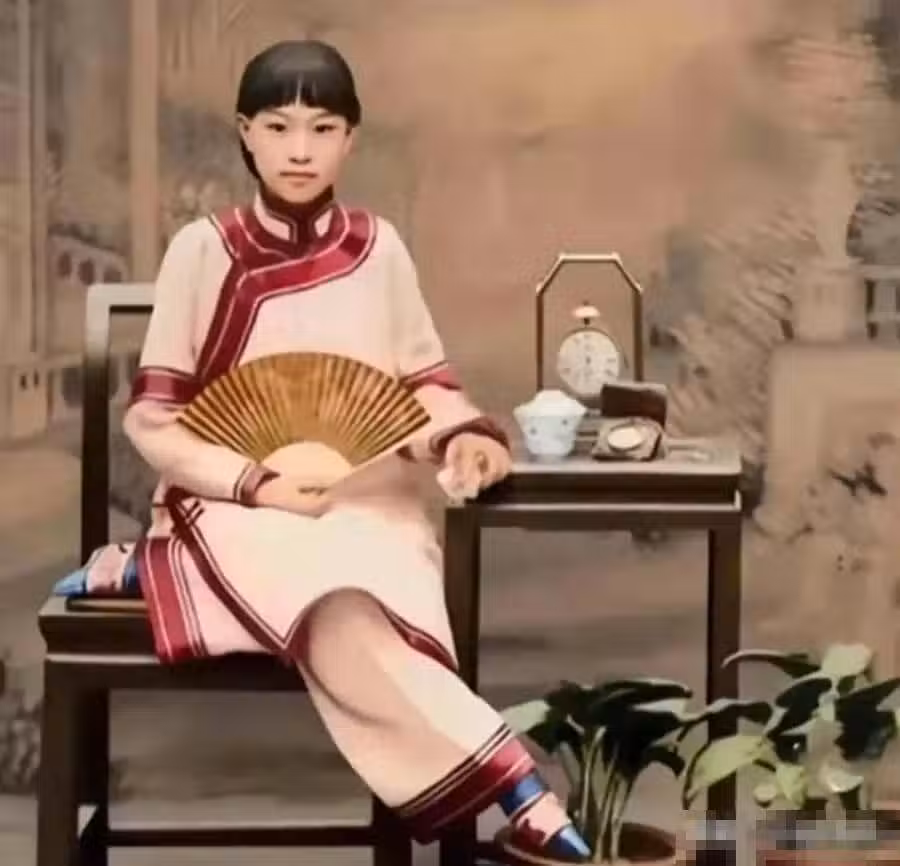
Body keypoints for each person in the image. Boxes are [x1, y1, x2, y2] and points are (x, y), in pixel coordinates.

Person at [122, 39, 591, 862]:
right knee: (332, 599)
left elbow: (424, 385)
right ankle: (517, 784)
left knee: (366, 582)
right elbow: (156, 421)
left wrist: (465, 435)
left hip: (365, 495)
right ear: (246, 132)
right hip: (235, 503)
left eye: (323, 128)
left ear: (351, 139)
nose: (300, 150)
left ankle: (501, 781)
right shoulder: (203, 249)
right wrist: (258, 482)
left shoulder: (380, 248)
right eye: (278, 127)